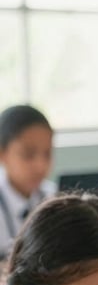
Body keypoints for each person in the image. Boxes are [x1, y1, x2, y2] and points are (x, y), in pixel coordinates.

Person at [0, 104, 55, 259]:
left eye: (47, 154)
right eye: (28, 155)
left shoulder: (53, 196)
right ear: (2, 153)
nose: (41, 166)